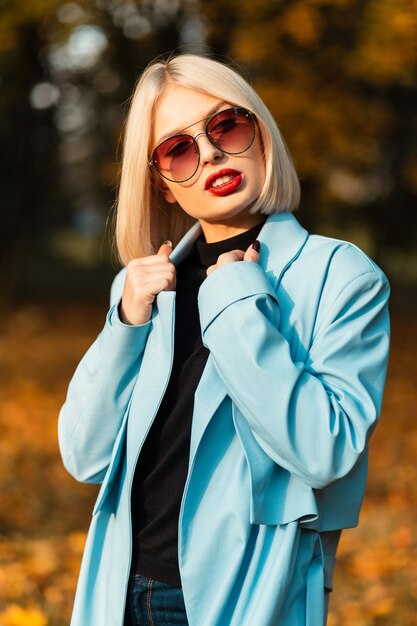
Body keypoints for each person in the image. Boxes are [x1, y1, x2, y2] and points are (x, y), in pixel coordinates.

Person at [58, 53, 390, 626]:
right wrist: (125, 323)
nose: (209, 152)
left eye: (225, 126)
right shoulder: (144, 286)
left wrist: (236, 298)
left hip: (246, 591)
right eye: (178, 149)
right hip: (121, 587)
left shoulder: (341, 276)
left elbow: (324, 452)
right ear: (161, 184)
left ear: (260, 135)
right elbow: (86, 458)